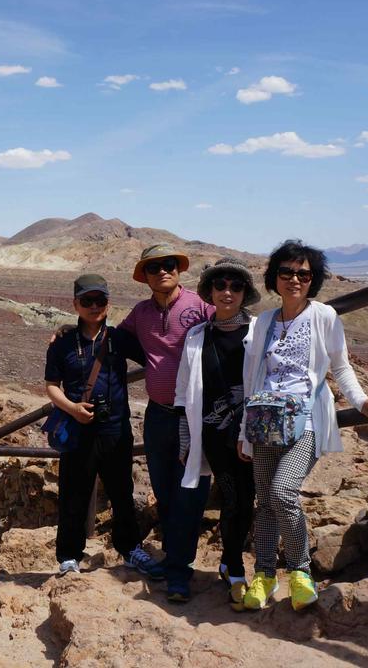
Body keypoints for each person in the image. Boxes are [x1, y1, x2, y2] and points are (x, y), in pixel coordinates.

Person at [239, 240, 368, 611]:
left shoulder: (323, 316)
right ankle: (262, 576)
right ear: (275, 277)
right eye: (287, 272)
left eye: (303, 273)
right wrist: (244, 432)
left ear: (314, 279)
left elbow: (340, 366)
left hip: (305, 419)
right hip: (264, 420)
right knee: (263, 503)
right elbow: (252, 377)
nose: (295, 279)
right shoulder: (263, 322)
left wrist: (360, 401)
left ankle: (300, 573)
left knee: (282, 492)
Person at [44, 273, 158, 576]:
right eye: (87, 300)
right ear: (75, 303)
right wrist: (72, 408)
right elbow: (52, 384)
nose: (94, 306)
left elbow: (157, 356)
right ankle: (69, 556)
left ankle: (130, 549)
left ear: (108, 303)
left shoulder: (119, 339)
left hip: (115, 430)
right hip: (78, 429)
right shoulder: (63, 342)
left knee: (122, 491)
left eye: (100, 300)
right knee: (73, 493)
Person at [168, 256, 259, 605]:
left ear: (245, 292)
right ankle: (234, 568)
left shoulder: (258, 331)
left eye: (236, 286)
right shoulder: (196, 337)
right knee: (234, 497)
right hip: (214, 435)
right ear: (209, 291)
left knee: (247, 500)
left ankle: (236, 564)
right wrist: (186, 437)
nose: (227, 292)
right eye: (220, 285)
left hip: (252, 432)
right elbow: (182, 391)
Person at [119, 244, 214, 574]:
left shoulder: (200, 306)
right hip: (158, 414)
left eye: (169, 263)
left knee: (191, 489)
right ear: (144, 276)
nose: (163, 270)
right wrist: (69, 333)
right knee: (163, 487)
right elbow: (113, 339)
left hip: (194, 416)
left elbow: (235, 334)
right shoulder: (141, 313)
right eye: (154, 266)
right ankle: (175, 556)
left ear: (179, 269)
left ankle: (179, 566)